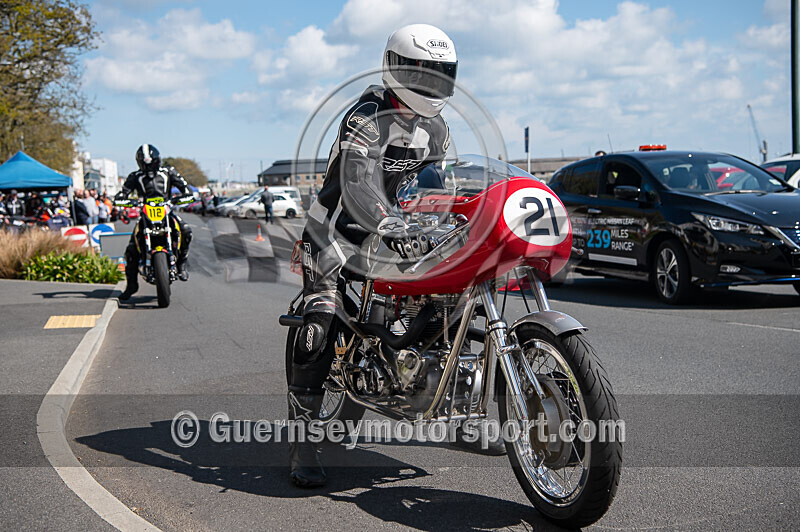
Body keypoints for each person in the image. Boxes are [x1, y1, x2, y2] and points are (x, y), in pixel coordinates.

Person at [286, 24, 501, 489]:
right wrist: (386, 221)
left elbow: (441, 184)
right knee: (321, 322)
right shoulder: (365, 114)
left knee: (451, 305)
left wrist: (465, 218)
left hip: (399, 239)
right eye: (422, 74)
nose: (432, 85)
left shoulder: (437, 127)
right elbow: (358, 180)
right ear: (395, 68)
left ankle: (455, 405)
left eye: (441, 76)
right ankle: (302, 442)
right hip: (337, 234)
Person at [116, 144, 193, 300]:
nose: (149, 168)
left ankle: (181, 263)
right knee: (131, 250)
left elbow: (187, 190)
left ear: (158, 160)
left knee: (186, 230)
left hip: (167, 212)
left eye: (151, 163)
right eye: (145, 164)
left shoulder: (168, 172)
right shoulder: (135, 176)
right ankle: (131, 285)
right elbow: (120, 196)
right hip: (145, 215)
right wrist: (128, 202)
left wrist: (180, 198)